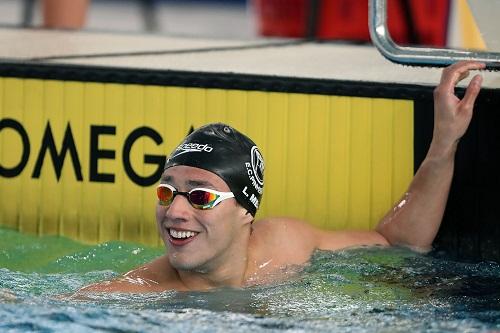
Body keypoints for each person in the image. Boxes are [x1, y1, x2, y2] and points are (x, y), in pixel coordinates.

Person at [78, 60, 485, 293]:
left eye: (200, 197)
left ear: (246, 211)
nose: (175, 211)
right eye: (167, 193)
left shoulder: (288, 244)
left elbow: (399, 243)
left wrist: (444, 141)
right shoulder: (142, 292)